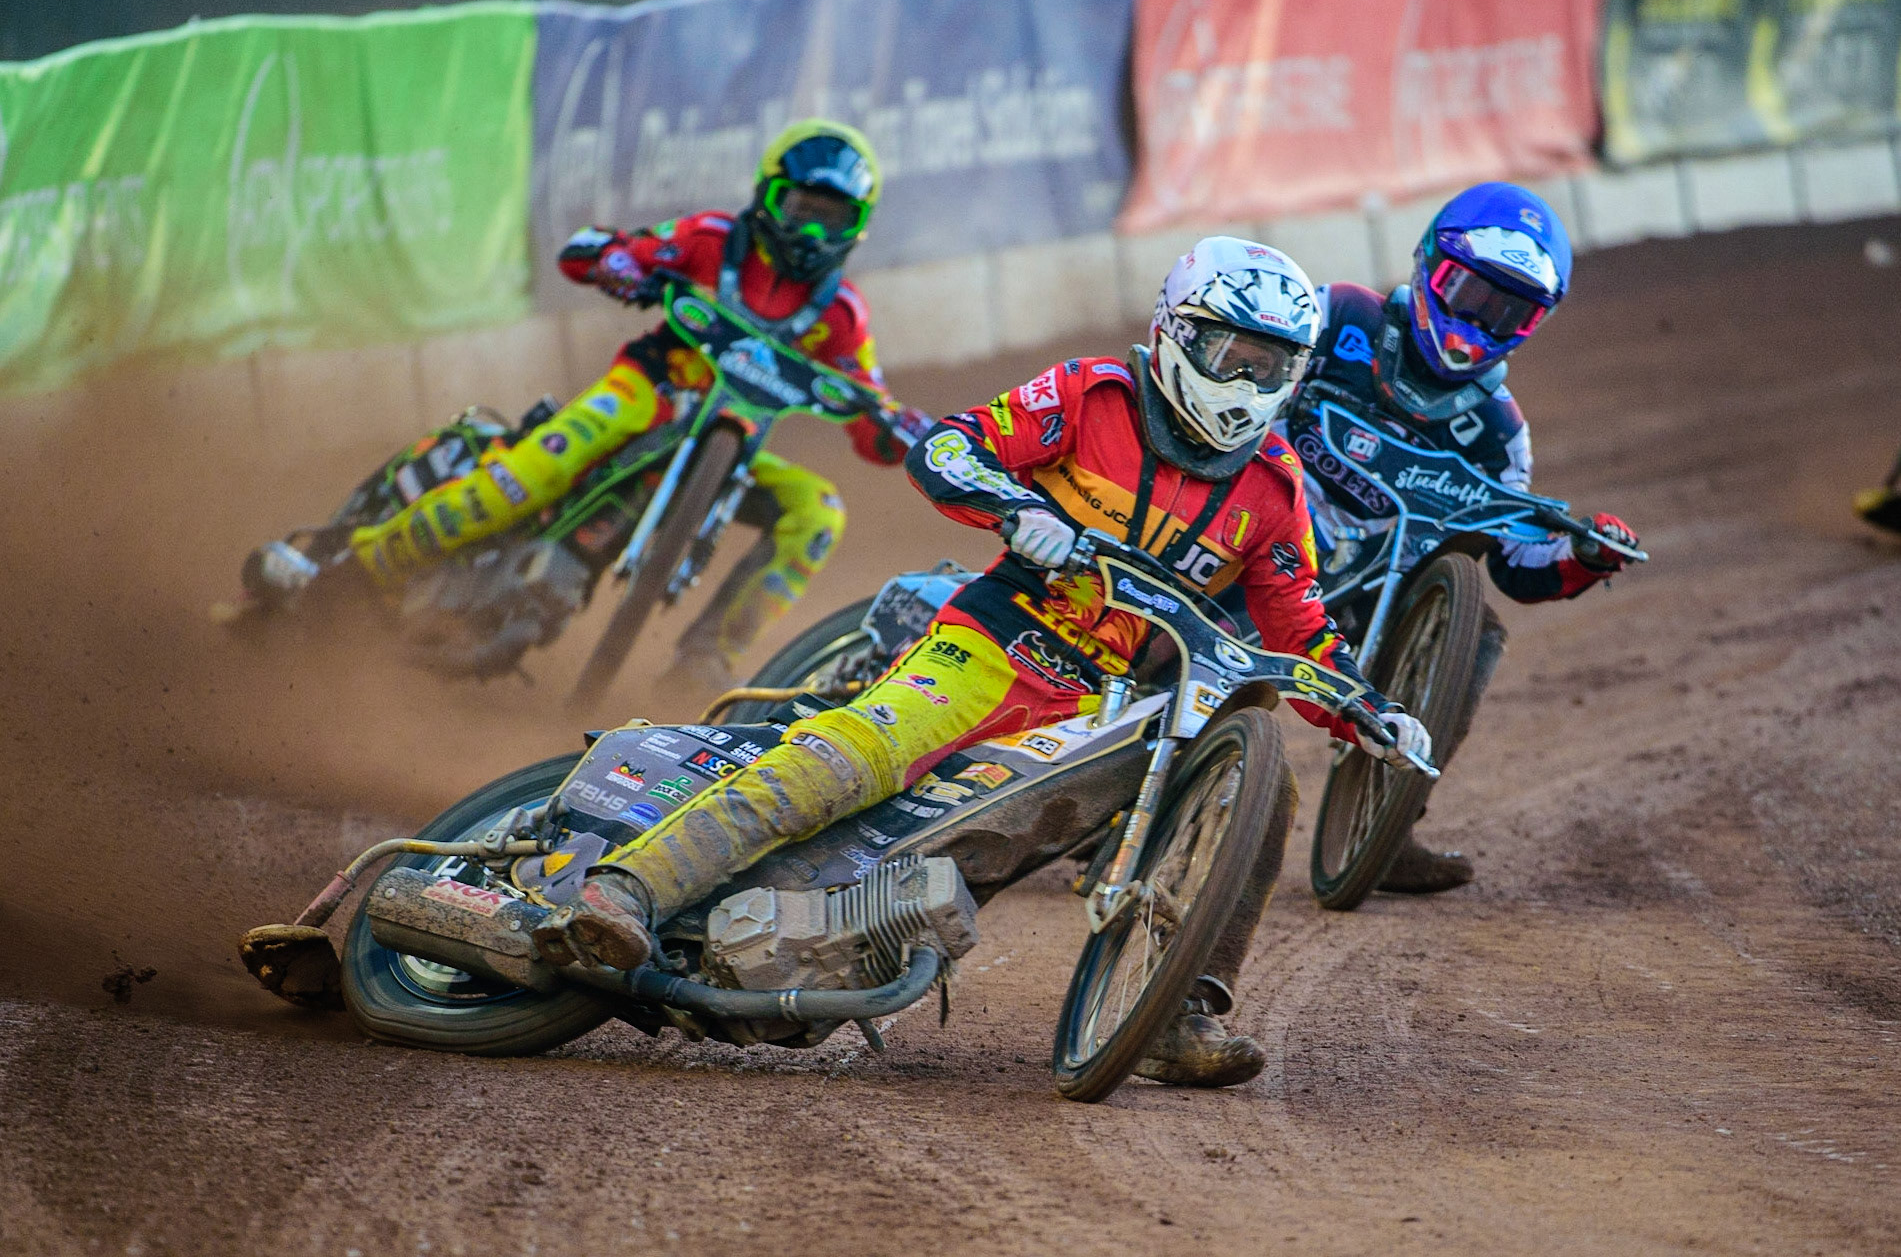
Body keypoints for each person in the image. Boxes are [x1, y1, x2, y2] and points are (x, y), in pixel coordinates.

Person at [533, 237, 1431, 1088]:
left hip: (1108, 703)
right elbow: (950, 445)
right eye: (1230, 354)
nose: (1243, 382)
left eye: (1269, 366)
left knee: (1254, 786)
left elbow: (1301, 627)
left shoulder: (1273, 489)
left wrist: (1370, 709)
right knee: (856, 756)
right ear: (1176, 334)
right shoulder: (1091, 395)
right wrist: (1014, 508)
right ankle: (626, 889)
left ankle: (1177, 1011)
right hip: (996, 642)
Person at [250, 120, 922, 693]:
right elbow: (596, 251)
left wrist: (901, 430)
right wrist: (620, 263)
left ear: (858, 227)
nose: (813, 230)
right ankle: (356, 569)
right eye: (800, 206)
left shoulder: (840, 315)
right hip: (646, 393)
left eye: (834, 217)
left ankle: (705, 663)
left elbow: (873, 417)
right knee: (534, 473)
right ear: (766, 195)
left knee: (818, 511)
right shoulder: (713, 240)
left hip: (730, 448)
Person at [1273, 182, 1640, 894]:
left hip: (1367, 590)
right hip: (1259, 530)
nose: (1477, 321)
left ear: (1531, 324)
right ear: (1427, 263)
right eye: (1468, 293)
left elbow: (1518, 563)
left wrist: (1585, 554)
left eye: (1506, 311)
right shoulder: (1336, 314)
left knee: (1476, 631)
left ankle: (1390, 817)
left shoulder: (1499, 432)